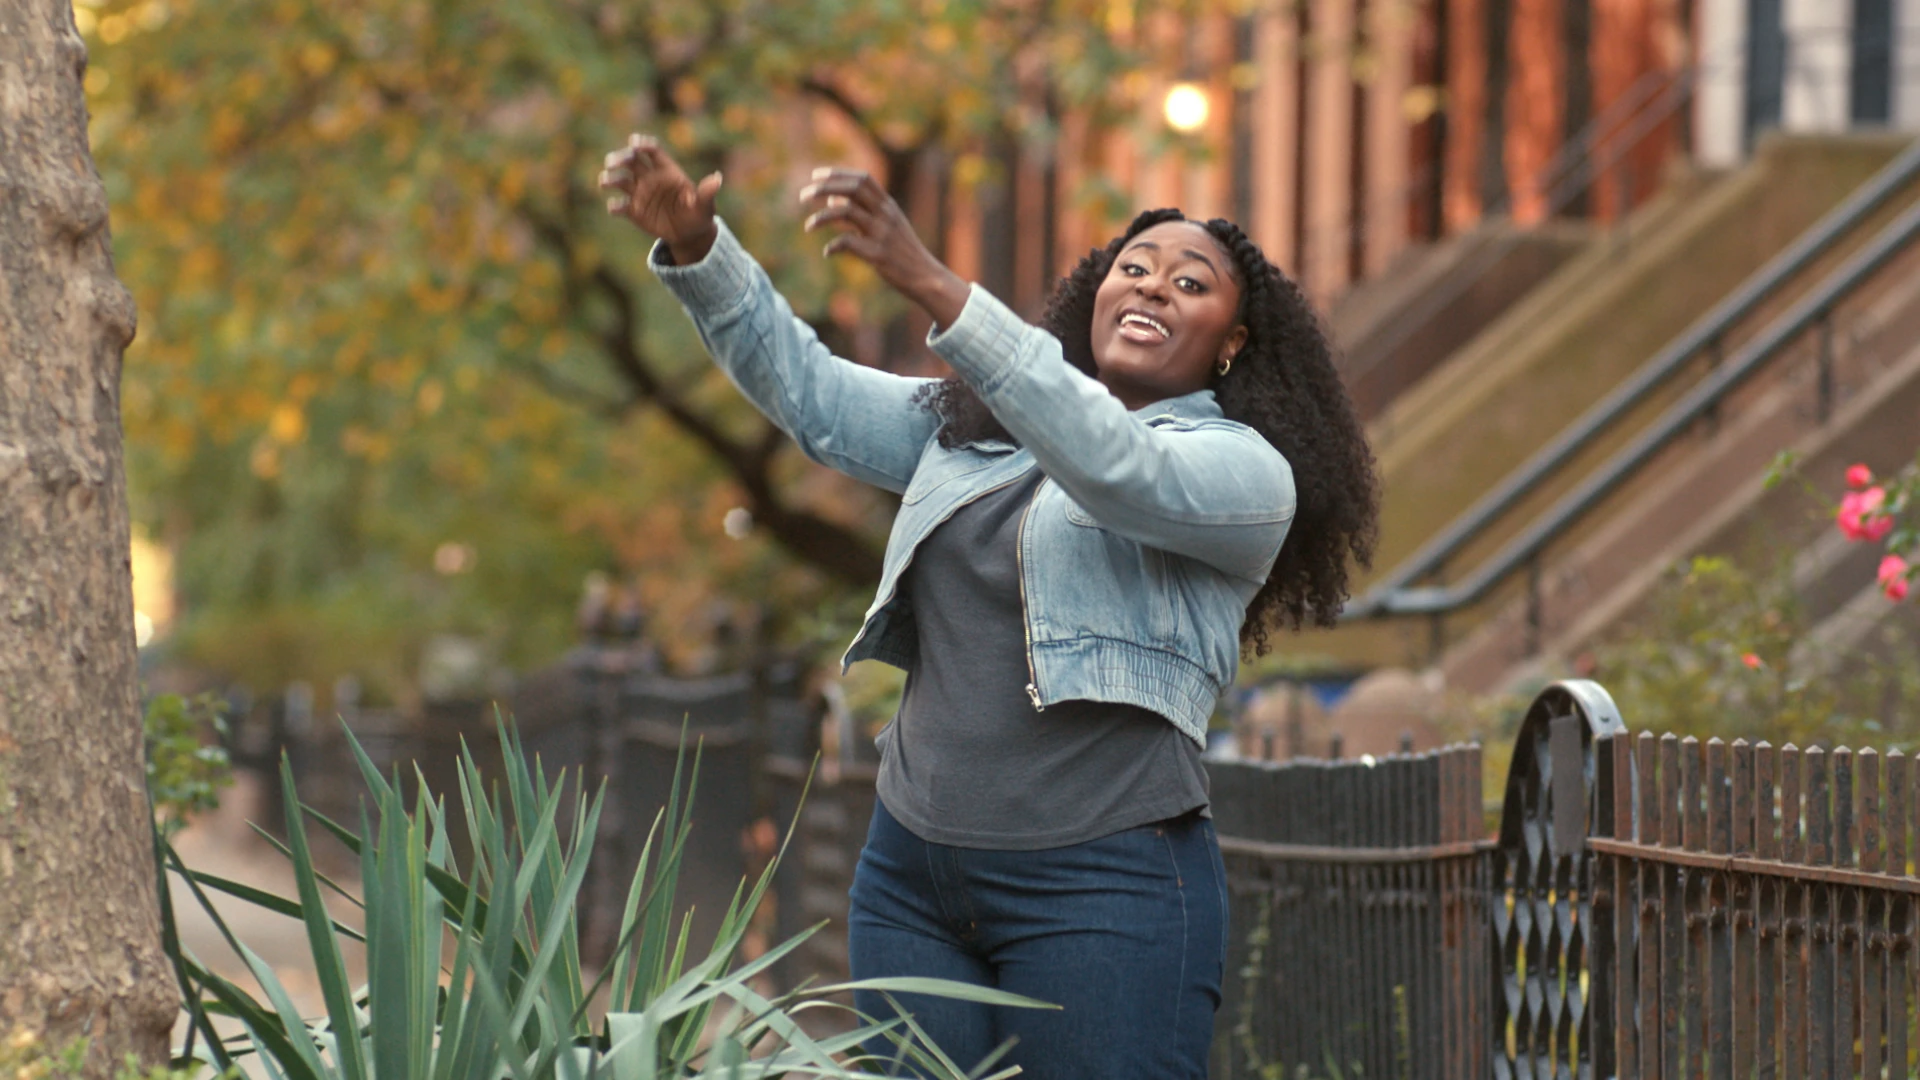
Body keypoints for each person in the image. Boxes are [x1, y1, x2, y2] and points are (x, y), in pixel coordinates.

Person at [599, 134, 1379, 1079]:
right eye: (1133, 268)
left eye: (1190, 283)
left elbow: (1113, 468)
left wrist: (934, 284)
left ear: (1233, 342)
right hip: (913, 879)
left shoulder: (1244, 475)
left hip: (1104, 890)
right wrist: (700, 249)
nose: (1151, 288)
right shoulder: (975, 434)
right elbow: (815, 399)